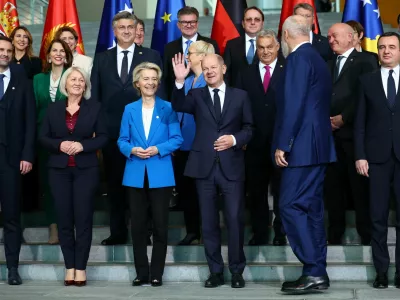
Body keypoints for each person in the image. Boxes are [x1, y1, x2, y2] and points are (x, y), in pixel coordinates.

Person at [172, 53, 253, 289]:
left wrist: (234, 139)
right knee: (207, 222)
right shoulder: (195, 95)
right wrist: (179, 82)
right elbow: (177, 105)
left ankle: (237, 271)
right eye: (205, 68)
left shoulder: (241, 96)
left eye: (213, 67)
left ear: (223, 68)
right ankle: (215, 271)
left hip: (232, 166)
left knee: (235, 220)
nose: (209, 72)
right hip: (203, 167)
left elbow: (250, 128)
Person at [273, 15, 336, 293]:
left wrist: (283, 143)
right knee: (310, 209)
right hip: (318, 146)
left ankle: (313, 269)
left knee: (288, 205)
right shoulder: (317, 57)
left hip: (301, 147)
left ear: (286, 35)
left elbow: (294, 104)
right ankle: (316, 271)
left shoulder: (298, 59)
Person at [91, 11, 164, 246]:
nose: (125, 31)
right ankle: (118, 232)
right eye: (121, 27)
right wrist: (96, 128)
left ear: (136, 30)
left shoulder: (151, 55)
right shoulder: (102, 58)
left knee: (144, 186)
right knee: (115, 185)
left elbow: (159, 93)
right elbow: (96, 97)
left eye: (129, 27)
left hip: (144, 132)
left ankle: (145, 233)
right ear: (114, 31)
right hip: (112, 134)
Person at [39, 66, 108, 287]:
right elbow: (43, 137)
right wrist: (60, 144)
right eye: (73, 79)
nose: (77, 82)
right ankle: (69, 267)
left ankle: (81, 268)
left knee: (83, 220)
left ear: (85, 85)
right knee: (64, 220)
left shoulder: (95, 108)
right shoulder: (53, 109)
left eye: (81, 80)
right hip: (58, 171)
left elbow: (104, 137)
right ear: (65, 84)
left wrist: (82, 145)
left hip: (85, 170)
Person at [118, 62, 182, 287]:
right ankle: (141, 273)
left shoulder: (167, 107)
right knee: (137, 226)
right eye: (146, 79)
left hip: (161, 173)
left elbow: (177, 139)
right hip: (135, 173)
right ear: (137, 83)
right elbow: (122, 140)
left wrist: (158, 149)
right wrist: (132, 150)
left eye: (154, 79)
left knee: (160, 226)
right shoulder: (129, 109)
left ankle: (157, 273)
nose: (150, 83)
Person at [354, 32, 400, 289]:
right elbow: (359, 123)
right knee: (378, 218)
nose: (386, 51)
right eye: (382, 47)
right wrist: (360, 155)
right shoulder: (366, 81)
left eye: (392, 47)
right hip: (376, 159)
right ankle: (381, 272)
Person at [325, 23, 377, 245]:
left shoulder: (367, 61)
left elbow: (365, 95)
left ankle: (366, 235)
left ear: (351, 37)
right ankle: (334, 234)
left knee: (360, 190)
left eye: (335, 36)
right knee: (332, 189)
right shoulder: (326, 63)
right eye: (328, 37)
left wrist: (343, 118)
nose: (331, 40)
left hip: (354, 135)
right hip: (329, 137)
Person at [236, 29, 286, 246]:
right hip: (253, 143)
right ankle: (260, 233)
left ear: (277, 47)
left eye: (269, 47)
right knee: (255, 192)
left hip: (281, 143)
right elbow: (237, 107)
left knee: (281, 191)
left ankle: (281, 232)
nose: (265, 51)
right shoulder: (244, 73)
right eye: (261, 48)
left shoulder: (289, 70)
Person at [0, 35, 35, 285]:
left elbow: (30, 120)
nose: (4, 53)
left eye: (8, 50)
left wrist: (27, 154)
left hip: (12, 159)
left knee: (12, 215)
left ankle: (13, 268)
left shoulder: (21, 79)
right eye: (1, 49)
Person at [173, 41, 214, 246]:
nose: (187, 55)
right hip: (182, 144)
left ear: (202, 55)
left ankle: (207, 233)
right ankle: (192, 231)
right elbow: (176, 107)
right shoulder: (188, 81)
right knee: (186, 191)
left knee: (203, 192)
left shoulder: (209, 80)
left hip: (202, 144)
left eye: (190, 52)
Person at [34, 39, 73, 245]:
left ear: (67, 56)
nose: (58, 54)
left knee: (67, 184)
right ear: (48, 56)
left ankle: (68, 223)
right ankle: (53, 226)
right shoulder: (38, 79)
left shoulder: (73, 77)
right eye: (54, 50)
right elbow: (32, 109)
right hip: (44, 139)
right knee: (48, 184)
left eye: (62, 51)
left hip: (68, 138)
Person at [9, 26, 42, 212]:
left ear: (29, 42)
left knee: (30, 164)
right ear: (12, 40)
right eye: (18, 36)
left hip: (29, 114)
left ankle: (31, 207)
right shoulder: (5, 61)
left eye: (26, 37)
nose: (22, 40)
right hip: (9, 117)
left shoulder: (36, 63)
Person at [163, 6, 219, 100]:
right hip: (177, 101)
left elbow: (218, 73)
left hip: (205, 100)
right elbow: (166, 77)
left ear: (197, 23)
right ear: (178, 25)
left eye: (192, 22)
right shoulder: (169, 48)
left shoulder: (210, 44)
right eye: (184, 22)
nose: (189, 25)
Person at [224, 6, 264, 86]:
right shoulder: (231, 45)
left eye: (257, 19)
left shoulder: (271, 45)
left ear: (262, 24)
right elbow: (226, 73)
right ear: (243, 23)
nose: (253, 22)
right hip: (237, 95)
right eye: (249, 19)